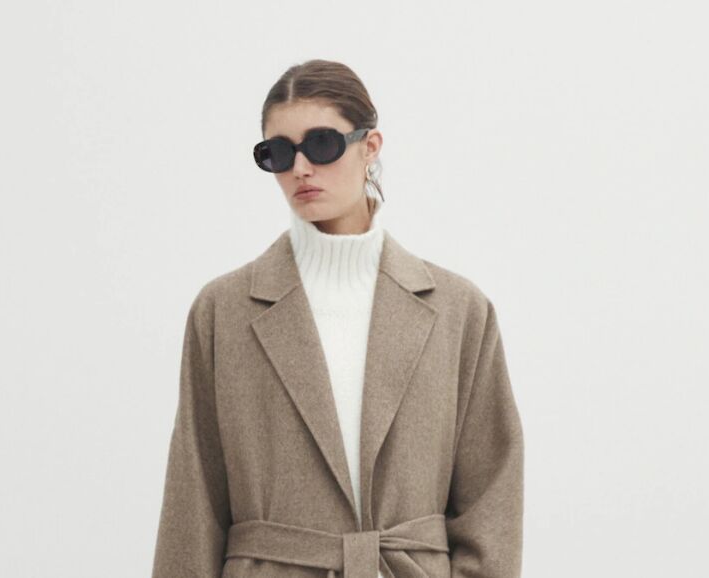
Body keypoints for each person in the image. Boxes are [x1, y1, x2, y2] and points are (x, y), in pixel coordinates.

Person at [152, 59, 524, 578]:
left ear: (370, 146)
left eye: (322, 144)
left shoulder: (459, 311)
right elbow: (193, 500)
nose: (301, 168)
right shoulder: (223, 311)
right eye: (279, 152)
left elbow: (491, 498)